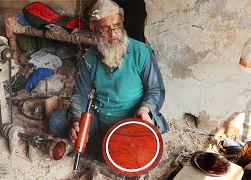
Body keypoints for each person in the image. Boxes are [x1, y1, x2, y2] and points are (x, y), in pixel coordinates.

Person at [49, 0, 169, 154]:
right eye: (105, 29)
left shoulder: (142, 52)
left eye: (117, 26)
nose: (113, 34)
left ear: (122, 22)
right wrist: (78, 122)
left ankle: (104, 144)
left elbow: (155, 89)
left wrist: (144, 110)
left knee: (131, 151)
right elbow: (80, 94)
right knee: (56, 121)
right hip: (100, 117)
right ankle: (101, 141)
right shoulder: (89, 57)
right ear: (94, 28)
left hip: (131, 119)